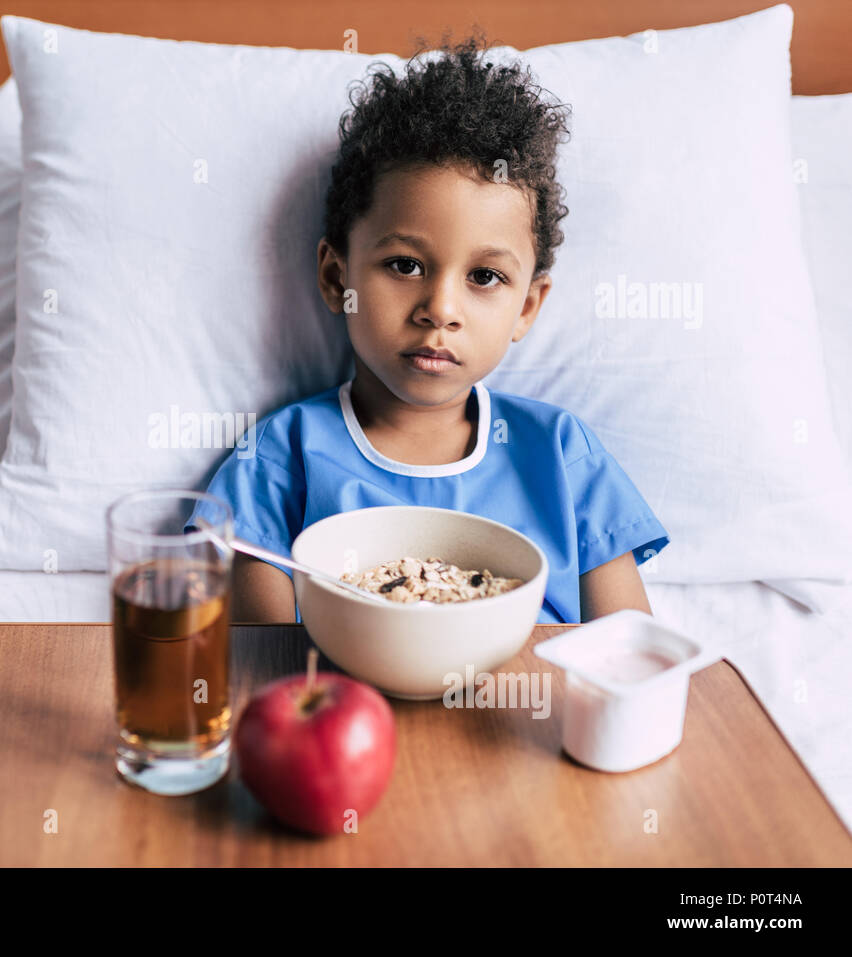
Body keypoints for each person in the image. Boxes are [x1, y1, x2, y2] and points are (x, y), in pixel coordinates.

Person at [186, 35, 669, 624]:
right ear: (338, 277)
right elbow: (272, 660)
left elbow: (631, 652)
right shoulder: (280, 456)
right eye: (405, 266)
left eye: (485, 276)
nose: (440, 309)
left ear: (526, 308)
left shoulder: (561, 455)